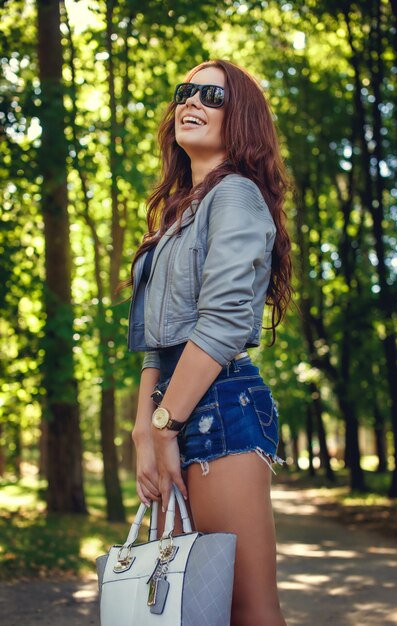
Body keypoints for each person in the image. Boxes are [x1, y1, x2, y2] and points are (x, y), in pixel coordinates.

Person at [127, 59, 293, 626]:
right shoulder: (175, 215)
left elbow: (222, 323)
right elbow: (158, 341)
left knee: (247, 609)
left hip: (220, 406)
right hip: (172, 411)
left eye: (211, 96)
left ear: (240, 118)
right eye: (185, 92)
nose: (191, 101)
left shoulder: (236, 196)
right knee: (185, 605)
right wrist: (144, 428)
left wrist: (166, 425)